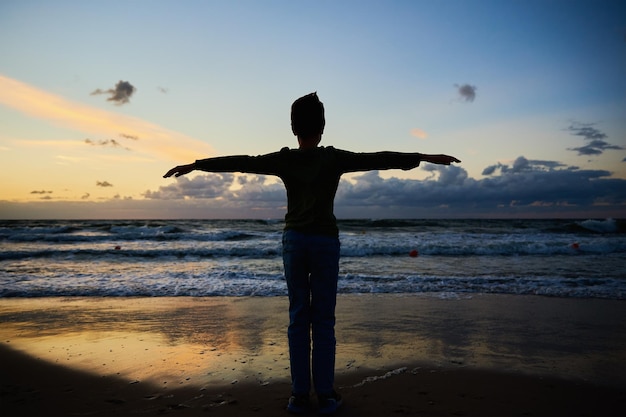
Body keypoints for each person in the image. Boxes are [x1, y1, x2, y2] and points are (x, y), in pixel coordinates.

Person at [163, 92, 460, 414]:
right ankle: (327, 395)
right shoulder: (333, 158)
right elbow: (377, 157)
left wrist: (197, 165)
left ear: (294, 129)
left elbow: (243, 162)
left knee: (298, 317)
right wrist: (423, 156)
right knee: (323, 320)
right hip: (324, 243)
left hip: (294, 242)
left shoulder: (285, 158)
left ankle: (299, 396)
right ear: (322, 127)